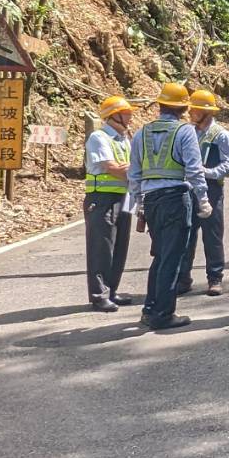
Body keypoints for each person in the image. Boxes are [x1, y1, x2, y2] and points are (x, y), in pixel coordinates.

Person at [129, 82, 212, 330]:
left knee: (160, 255)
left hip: (152, 200)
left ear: (161, 105)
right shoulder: (184, 132)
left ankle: (150, 308)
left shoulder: (141, 133)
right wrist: (204, 199)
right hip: (176, 198)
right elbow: (194, 169)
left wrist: (140, 205)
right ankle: (163, 314)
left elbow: (134, 174)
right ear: (184, 108)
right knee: (172, 258)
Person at [177, 89, 229, 296]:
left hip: (212, 190)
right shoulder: (189, 132)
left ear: (205, 112)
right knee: (186, 235)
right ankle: (183, 279)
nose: (191, 113)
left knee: (212, 236)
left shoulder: (221, 135)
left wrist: (208, 172)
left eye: (194, 110)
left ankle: (215, 278)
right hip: (189, 190)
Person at [83, 95, 137, 312]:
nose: (131, 116)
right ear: (115, 116)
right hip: (101, 199)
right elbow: (112, 167)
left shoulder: (124, 138)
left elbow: (128, 167)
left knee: (120, 247)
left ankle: (111, 290)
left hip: (123, 196)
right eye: (127, 113)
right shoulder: (99, 137)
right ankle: (99, 295)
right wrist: (133, 170)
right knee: (101, 247)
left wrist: (129, 169)